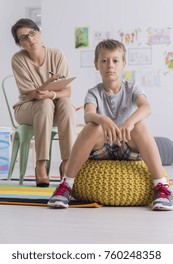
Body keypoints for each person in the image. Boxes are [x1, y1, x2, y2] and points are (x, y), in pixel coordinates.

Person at [48, 39, 173, 210]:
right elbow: (88, 114)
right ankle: (66, 186)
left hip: (127, 146)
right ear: (96, 64)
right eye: (104, 61)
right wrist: (103, 119)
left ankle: (161, 187)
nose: (110, 65)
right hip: (102, 148)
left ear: (123, 64)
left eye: (115, 60)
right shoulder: (94, 92)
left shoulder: (132, 88)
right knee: (92, 126)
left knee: (140, 125)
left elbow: (146, 107)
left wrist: (129, 122)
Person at [11, 18, 76, 187]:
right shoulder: (18, 60)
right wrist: (50, 84)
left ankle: (67, 163)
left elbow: (67, 91)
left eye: (32, 33)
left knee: (67, 105)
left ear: (39, 32)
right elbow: (34, 94)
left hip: (51, 109)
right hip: (26, 108)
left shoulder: (57, 54)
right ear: (19, 44)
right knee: (45, 103)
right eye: (24, 38)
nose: (30, 39)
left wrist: (52, 93)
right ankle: (40, 164)